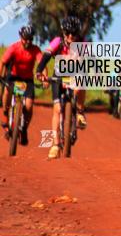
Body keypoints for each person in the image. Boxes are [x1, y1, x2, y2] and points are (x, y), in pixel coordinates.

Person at [35, 16, 88, 159]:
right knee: (57, 110)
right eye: (68, 33)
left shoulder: (82, 44)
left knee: (81, 85)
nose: (71, 37)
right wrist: (39, 71)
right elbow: (46, 55)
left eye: (74, 34)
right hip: (59, 73)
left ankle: (80, 112)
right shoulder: (57, 42)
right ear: (63, 32)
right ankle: (55, 145)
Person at [1, 25, 42, 146]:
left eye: (30, 39)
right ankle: (5, 114)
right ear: (21, 37)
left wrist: (43, 77)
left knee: (29, 106)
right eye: (25, 38)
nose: (28, 41)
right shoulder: (14, 48)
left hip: (27, 80)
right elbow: (3, 62)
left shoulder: (35, 49)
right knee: (7, 92)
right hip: (13, 77)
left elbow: (41, 64)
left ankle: (24, 129)